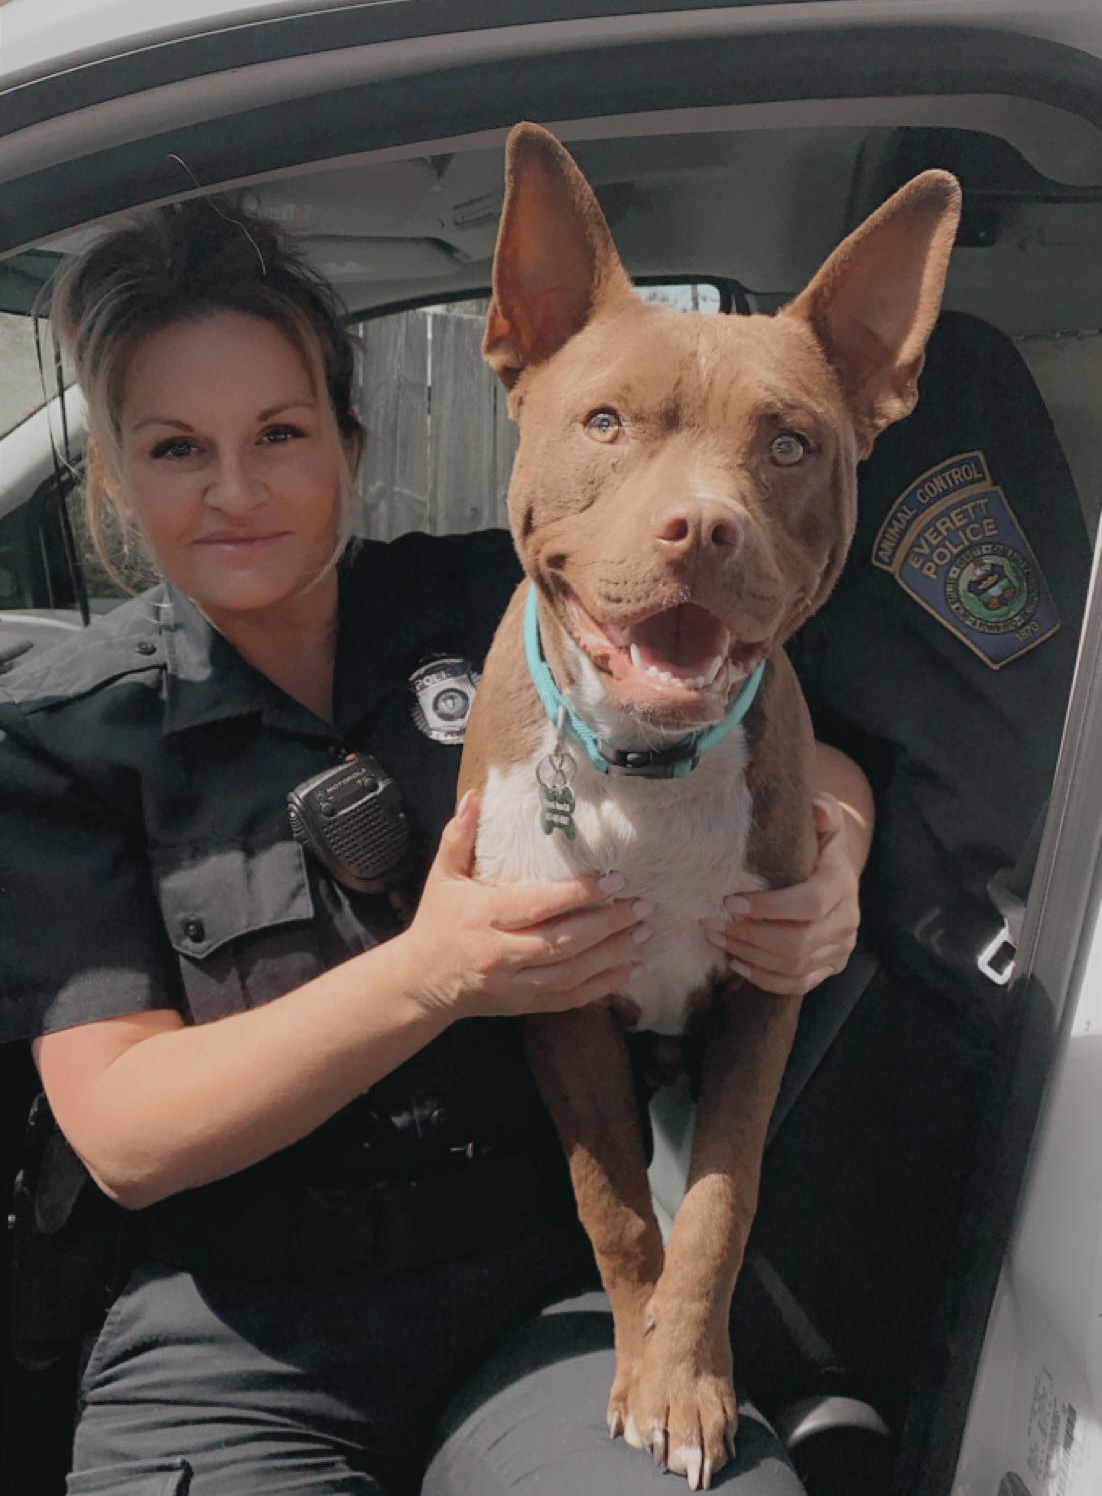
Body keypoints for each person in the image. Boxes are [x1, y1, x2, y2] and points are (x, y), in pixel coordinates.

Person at [0, 197, 873, 1496]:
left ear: (347, 445)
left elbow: (787, 743)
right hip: (235, 1335)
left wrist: (830, 860)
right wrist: (432, 971)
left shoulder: (524, 597)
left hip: (541, 1285)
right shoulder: (65, 732)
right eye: (178, 448)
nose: (236, 490)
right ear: (116, 480)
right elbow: (127, 1134)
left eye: (280, 435)